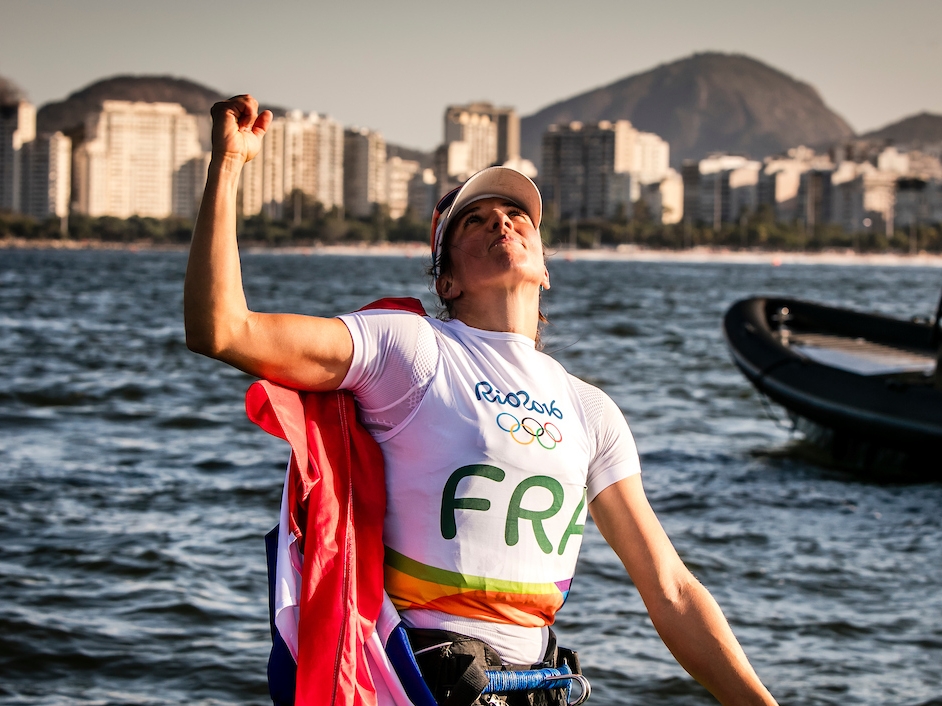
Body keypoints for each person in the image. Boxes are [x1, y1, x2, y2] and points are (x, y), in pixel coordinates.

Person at [184, 95, 778, 706]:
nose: (502, 223)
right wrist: (226, 164)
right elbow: (223, 330)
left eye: (518, 215)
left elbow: (671, 591)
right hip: (416, 686)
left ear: (545, 268)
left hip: (536, 689)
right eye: (475, 220)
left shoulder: (591, 411)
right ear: (446, 280)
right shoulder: (411, 349)